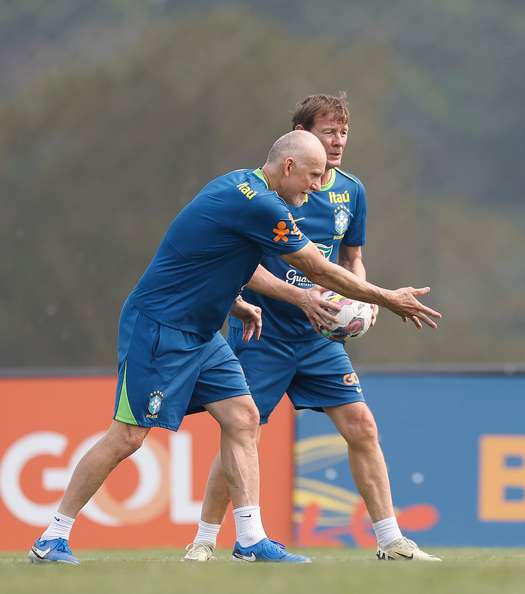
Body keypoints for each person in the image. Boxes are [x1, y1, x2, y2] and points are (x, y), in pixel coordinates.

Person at [28, 130, 441, 565]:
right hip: (159, 329)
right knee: (127, 437)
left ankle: (249, 539)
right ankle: (52, 537)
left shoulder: (239, 185)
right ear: (288, 167)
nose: (319, 187)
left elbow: (220, 258)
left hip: (203, 333)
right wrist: (388, 298)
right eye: (314, 176)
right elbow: (317, 269)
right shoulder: (259, 205)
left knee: (243, 418)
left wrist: (236, 300)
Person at [182, 94, 440, 563]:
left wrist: (363, 302)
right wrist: (321, 296)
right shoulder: (267, 193)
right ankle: (204, 538)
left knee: (362, 425)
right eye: (328, 131)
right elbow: (243, 266)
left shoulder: (351, 192)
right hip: (264, 335)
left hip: (320, 338)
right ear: (301, 139)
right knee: (243, 431)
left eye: (343, 132)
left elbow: (351, 259)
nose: (338, 141)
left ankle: (390, 539)